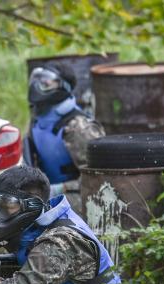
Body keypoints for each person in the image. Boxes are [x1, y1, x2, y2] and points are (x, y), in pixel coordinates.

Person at [24, 63, 105, 205]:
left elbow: (100, 180)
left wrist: (61, 189)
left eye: (46, 82)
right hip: (50, 195)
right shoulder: (37, 123)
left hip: (85, 199)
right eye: (36, 81)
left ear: (64, 87)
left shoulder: (78, 127)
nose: (37, 87)